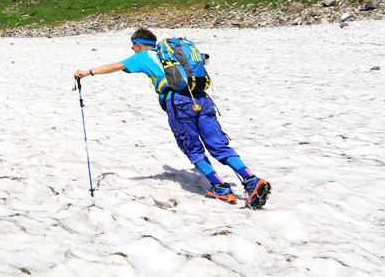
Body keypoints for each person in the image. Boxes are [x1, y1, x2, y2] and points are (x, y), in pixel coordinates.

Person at [73, 28, 271, 209]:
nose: (132, 49)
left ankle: (220, 188)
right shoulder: (171, 54)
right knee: (218, 144)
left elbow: (115, 66)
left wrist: (87, 73)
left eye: (133, 45)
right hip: (201, 97)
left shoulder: (141, 57)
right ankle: (251, 179)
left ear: (139, 44)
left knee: (192, 147)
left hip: (178, 103)